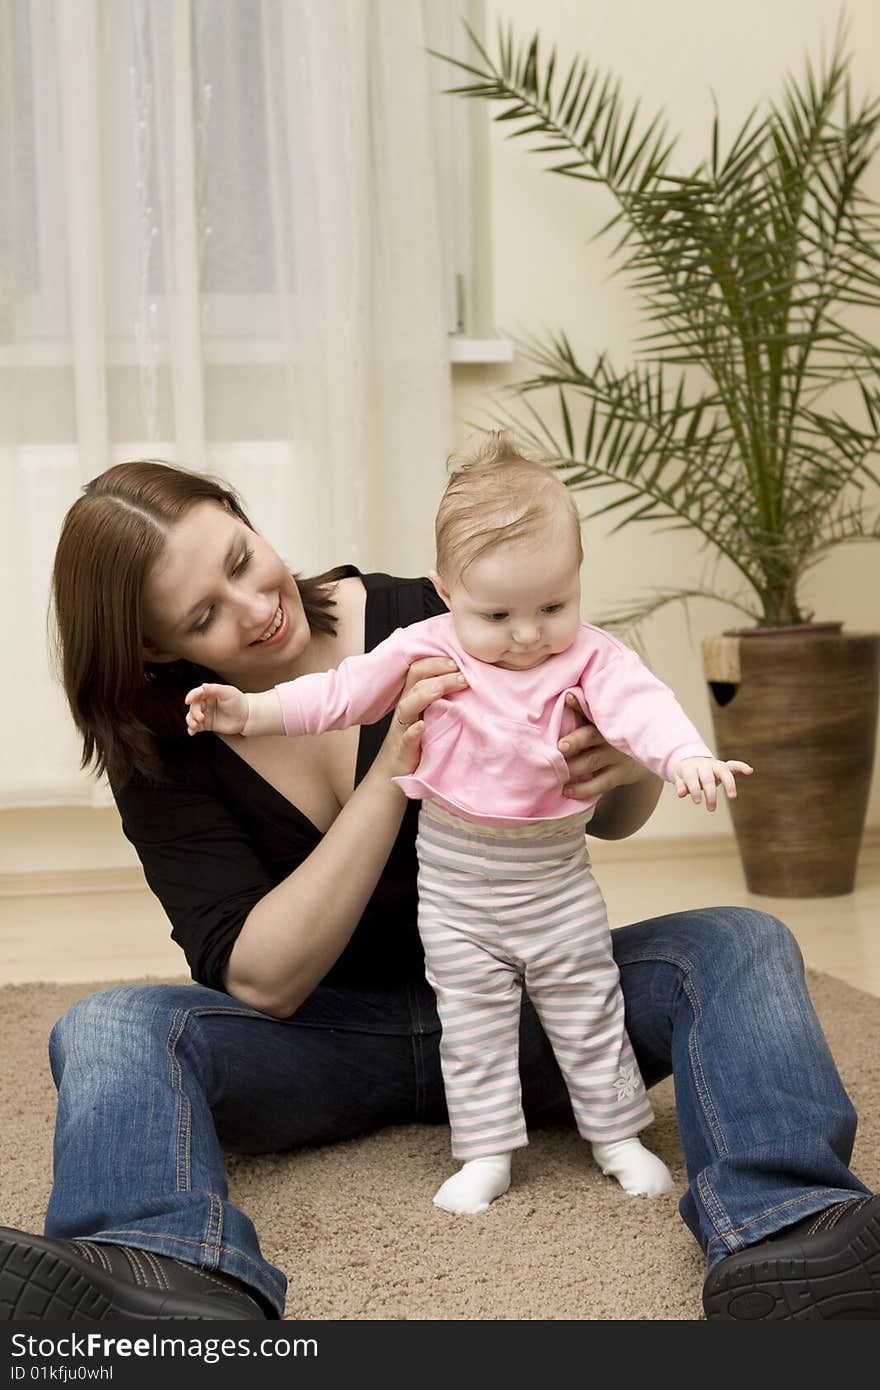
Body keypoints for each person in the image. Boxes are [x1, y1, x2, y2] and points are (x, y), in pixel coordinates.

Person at [0, 456, 876, 1322]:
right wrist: (393, 769)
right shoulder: (167, 743)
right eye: (205, 615)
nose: (258, 607)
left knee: (738, 943)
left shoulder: (445, 609)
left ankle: (791, 1233)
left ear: (245, 515)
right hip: (322, 1043)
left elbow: (613, 817)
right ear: (156, 648)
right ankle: (158, 1275)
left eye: (240, 559)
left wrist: (620, 766)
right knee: (108, 1025)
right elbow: (264, 979)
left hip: (534, 1000)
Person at [182, 433, 752, 1217]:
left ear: (577, 584)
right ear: (446, 590)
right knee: (474, 1025)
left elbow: (645, 710)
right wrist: (249, 711)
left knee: (589, 1011)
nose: (528, 635)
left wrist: (683, 757)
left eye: (553, 606)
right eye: (499, 613)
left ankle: (617, 1134)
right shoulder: (425, 648)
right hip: (456, 896)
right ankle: (486, 1152)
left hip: (555, 888)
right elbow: (337, 695)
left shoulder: (589, 657)